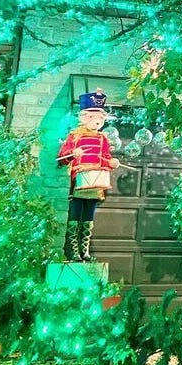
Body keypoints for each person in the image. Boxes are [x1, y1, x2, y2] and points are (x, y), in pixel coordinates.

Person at [57, 89, 120, 261]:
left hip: (96, 181)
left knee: (88, 216)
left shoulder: (103, 139)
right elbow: (61, 158)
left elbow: (105, 158)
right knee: (75, 214)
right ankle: (72, 251)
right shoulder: (74, 136)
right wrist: (73, 153)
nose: (97, 121)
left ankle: (84, 250)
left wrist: (112, 162)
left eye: (99, 118)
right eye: (92, 117)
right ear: (84, 117)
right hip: (79, 181)